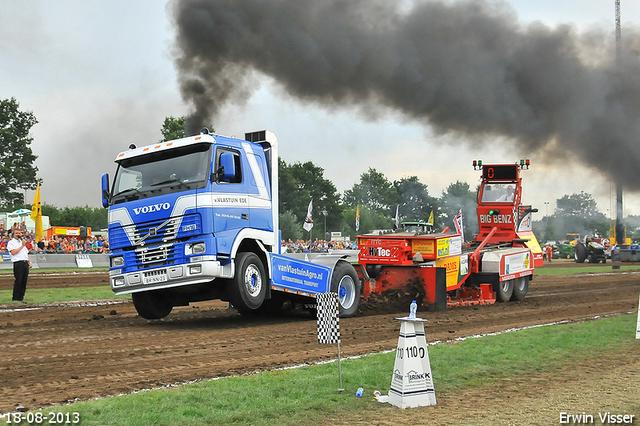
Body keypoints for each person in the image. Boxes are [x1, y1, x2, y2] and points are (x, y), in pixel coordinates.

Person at [7, 229, 32, 302]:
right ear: (13, 234)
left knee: (24, 281)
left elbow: (25, 253)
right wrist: (22, 246)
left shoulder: (22, 242)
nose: (18, 234)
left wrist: (29, 262)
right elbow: (13, 252)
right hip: (18, 263)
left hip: (25, 263)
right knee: (19, 280)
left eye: (19, 233)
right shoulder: (11, 243)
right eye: (16, 233)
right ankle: (15, 297)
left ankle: (21, 297)